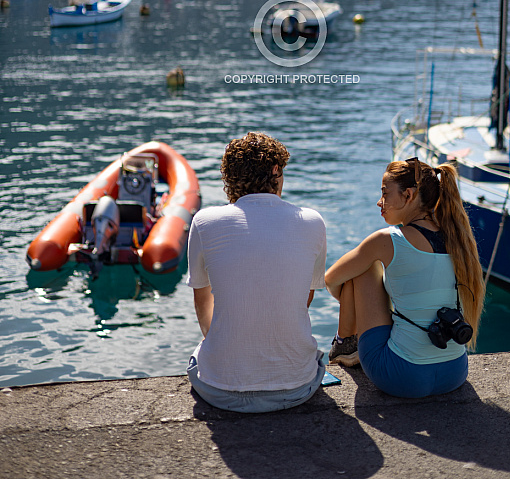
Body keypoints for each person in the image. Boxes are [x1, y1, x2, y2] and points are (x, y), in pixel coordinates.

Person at [186, 131, 327, 412]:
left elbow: (203, 304)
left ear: (229, 178)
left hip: (220, 390)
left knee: (201, 353)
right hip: (296, 388)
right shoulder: (312, 221)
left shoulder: (204, 221)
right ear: (276, 171)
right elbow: (304, 301)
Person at [325, 157, 484, 398]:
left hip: (401, 376)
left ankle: (345, 342)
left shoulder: (387, 240)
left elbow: (331, 279)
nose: (380, 202)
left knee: (362, 268)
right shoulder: (459, 239)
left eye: (385, 193)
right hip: (454, 372)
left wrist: (359, 302)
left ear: (408, 195)